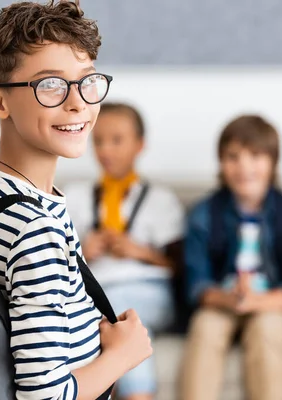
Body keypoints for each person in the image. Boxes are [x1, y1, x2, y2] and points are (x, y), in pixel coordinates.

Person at [0, 2, 151, 399]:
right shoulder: (36, 229)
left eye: (87, 80)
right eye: (49, 84)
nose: (79, 102)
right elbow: (44, 397)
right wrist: (124, 355)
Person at [180, 115, 282, 400]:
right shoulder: (203, 214)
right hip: (223, 300)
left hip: (272, 304)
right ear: (220, 162)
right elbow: (196, 284)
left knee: (265, 330)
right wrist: (229, 298)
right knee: (205, 327)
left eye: (255, 156)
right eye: (233, 157)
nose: (244, 167)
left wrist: (260, 302)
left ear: (273, 162)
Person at [64, 102, 185, 400]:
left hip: (146, 291)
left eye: (117, 140)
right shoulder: (74, 197)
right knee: (112, 319)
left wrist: (140, 252)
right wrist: (83, 252)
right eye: (99, 140)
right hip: (95, 290)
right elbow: (54, 261)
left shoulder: (161, 201)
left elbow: (179, 266)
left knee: (116, 317)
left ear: (139, 145)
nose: (106, 150)